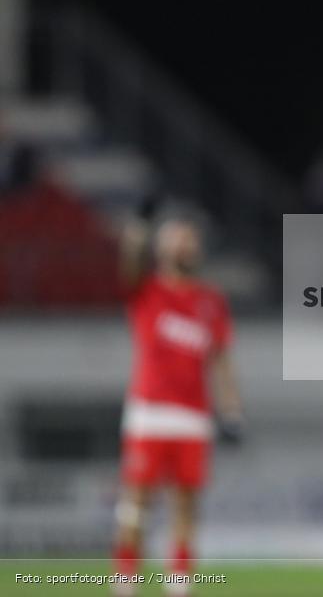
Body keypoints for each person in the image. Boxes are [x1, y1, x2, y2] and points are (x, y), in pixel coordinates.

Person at [112, 201, 242, 597]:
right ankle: (125, 583)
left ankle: (178, 588)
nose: (188, 247)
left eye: (192, 240)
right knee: (136, 504)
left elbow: (221, 362)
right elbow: (130, 261)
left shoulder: (211, 300)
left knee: (186, 507)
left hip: (194, 417)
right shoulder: (146, 290)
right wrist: (137, 227)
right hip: (149, 413)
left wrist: (232, 412)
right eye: (180, 239)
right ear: (165, 247)